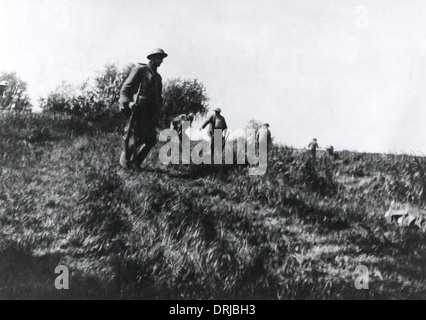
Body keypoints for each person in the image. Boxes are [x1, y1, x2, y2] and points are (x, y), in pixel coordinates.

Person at [118, 48, 167, 170]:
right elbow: (125, 89)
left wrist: (159, 110)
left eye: (162, 58)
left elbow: (158, 97)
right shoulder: (141, 70)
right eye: (159, 58)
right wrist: (128, 103)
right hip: (138, 110)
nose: (161, 61)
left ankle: (135, 163)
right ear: (152, 58)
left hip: (150, 113)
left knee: (151, 139)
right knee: (135, 137)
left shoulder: (158, 77)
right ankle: (125, 164)